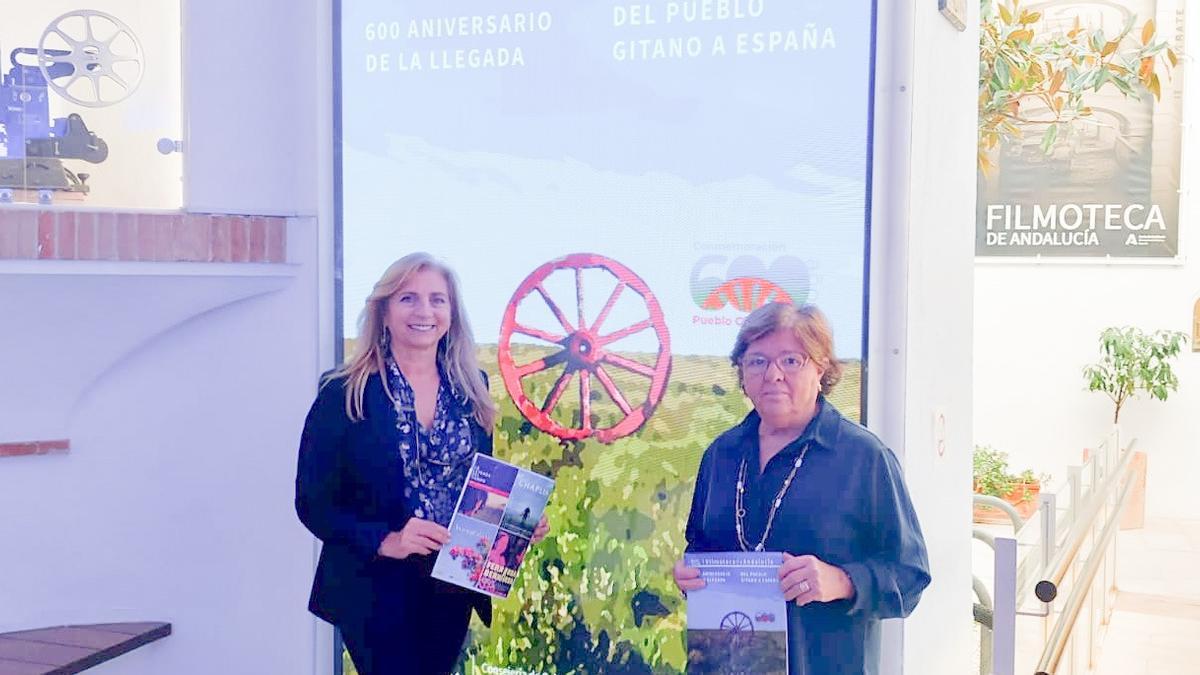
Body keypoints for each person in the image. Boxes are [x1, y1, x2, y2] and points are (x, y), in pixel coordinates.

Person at [296, 253, 548, 675]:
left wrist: (517, 521)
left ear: (451, 313)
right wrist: (386, 540)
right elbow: (311, 502)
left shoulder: (473, 388)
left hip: (453, 583)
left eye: (437, 300)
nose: (424, 311)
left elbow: (477, 488)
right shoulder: (344, 391)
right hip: (372, 585)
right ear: (384, 312)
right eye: (408, 298)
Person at [673, 302, 930, 675]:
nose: (773, 374)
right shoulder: (721, 455)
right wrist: (690, 575)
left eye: (791, 360)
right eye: (757, 361)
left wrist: (842, 581)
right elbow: (700, 547)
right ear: (742, 372)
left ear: (820, 368)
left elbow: (910, 576)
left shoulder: (863, 457)